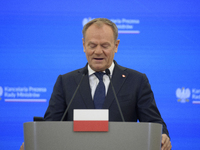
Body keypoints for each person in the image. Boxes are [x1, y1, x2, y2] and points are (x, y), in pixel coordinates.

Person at [20, 18, 172, 150]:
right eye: (92, 45)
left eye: (105, 46)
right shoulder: (66, 82)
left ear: (116, 45)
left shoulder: (136, 80)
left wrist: (163, 136)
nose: (98, 52)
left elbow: (154, 122)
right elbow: (50, 127)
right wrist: (35, 141)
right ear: (84, 45)